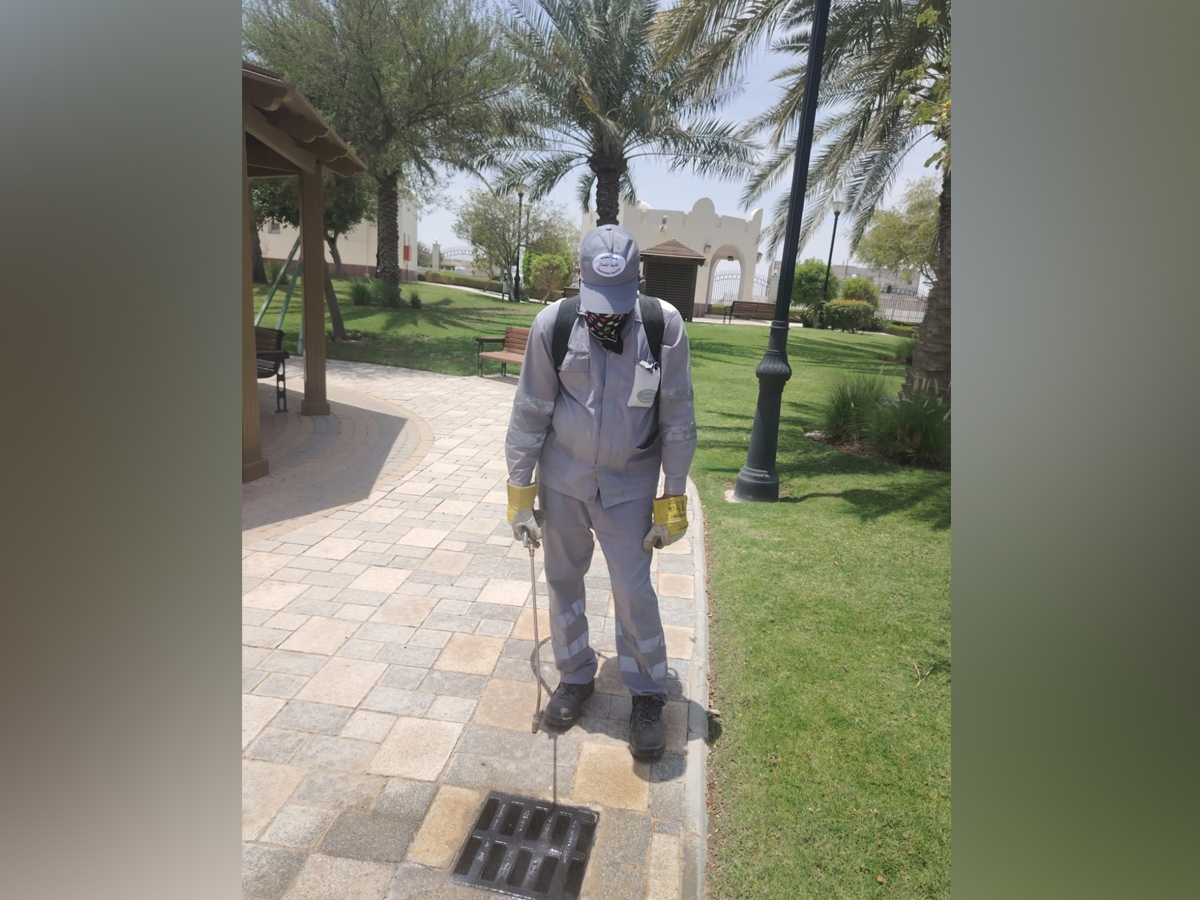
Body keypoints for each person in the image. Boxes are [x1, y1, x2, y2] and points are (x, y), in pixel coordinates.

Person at [504, 224, 697, 759]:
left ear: (638, 280)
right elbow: (529, 412)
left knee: (634, 591)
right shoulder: (555, 324)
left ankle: (647, 692)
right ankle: (575, 675)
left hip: (630, 484)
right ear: (579, 279)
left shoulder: (664, 326)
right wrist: (520, 494)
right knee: (563, 580)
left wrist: (673, 500)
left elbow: (677, 416)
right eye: (597, 300)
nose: (606, 313)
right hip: (563, 481)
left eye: (617, 301)